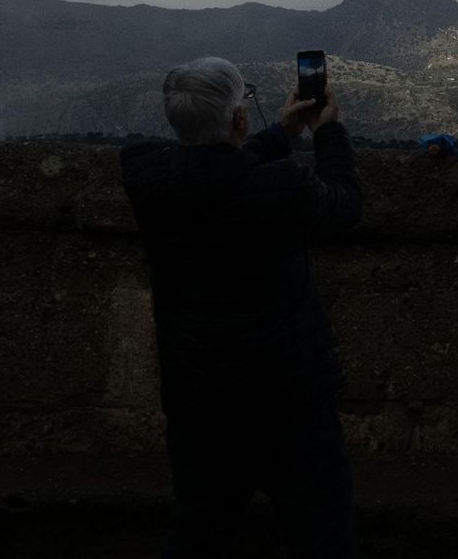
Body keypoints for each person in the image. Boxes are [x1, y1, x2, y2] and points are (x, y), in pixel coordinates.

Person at [120, 57, 361, 557]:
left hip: (199, 401)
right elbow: (342, 207)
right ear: (239, 120)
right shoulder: (282, 188)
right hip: (290, 403)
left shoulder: (147, 177)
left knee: (199, 533)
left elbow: (210, 172)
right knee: (323, 536)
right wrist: (328, 134)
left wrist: (279, 133)